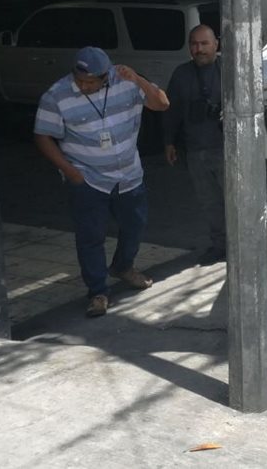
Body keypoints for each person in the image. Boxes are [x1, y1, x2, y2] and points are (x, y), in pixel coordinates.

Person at [34, 46, 170, 317]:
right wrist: (70, 172)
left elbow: (162, 103)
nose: (83, 86)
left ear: (106, 77)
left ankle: (123, 266)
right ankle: (97, 291)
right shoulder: (56, 96)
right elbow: (43, 136)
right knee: (90, 237)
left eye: (90, 82)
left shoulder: (127, 82)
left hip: (129, 176)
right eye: (79, 80)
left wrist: (139, 80)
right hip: (89, 180)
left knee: (135, 225)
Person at [163, 24, 227, 265]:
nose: (198, 49)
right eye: (193, 44)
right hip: (196, 149)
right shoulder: (181, 73)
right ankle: (220, 245)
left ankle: (245, 246)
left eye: (204, 43)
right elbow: (172, 110)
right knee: (209, 202)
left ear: (216, 44)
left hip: (226, 148)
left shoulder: (228, 69)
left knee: (235, 201)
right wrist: (169, 141)